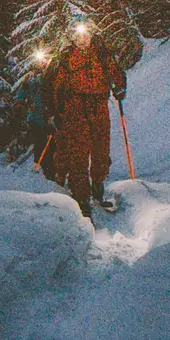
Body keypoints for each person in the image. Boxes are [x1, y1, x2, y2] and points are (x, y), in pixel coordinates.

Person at [41, 21, 127, 218]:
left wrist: (120, 87)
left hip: (98, 105)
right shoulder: (65, 56)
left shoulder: (102, 53)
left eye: (85, 36)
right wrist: (53, 110)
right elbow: (52, 83)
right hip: (75, 106)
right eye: (78, 37)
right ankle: (81, 196)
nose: (82, 41)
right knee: (78, 151)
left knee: (100, 148)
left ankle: (98, 183)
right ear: (72, 38)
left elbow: (116, 72)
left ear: (91, 36)